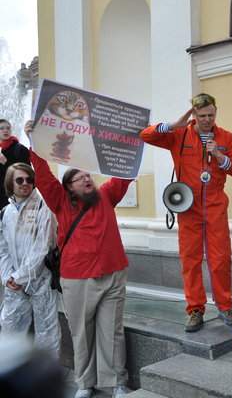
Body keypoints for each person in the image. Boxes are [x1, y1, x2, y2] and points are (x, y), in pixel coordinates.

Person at [24, 120, 132, 398]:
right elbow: (44, 177)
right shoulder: (60, 202)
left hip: (112, 274)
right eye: (79, 178)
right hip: (77, 278)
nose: (87, 179)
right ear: (69, 187)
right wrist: (34, 142)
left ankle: (116, 382)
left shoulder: (107, 195)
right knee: (81, 334)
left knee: (112, 332)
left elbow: (124, 173)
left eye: (88, 176)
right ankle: (85, 384)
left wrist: (129, 138)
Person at [140, 93, 232, 332]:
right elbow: (145, 135)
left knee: (220, 259)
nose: (207, 120)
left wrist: (218, 155)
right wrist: (172, 125)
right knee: (190, 259)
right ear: (193, 114)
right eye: (202, 115)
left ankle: (225, 306)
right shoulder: (179, 134)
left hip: (215, 204)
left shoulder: (226, 137)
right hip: (188, 206)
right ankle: (195, 309)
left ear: (216, 113)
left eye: (211, 115)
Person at [0, 163, 60, 357]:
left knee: (47, 334)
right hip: (14, 284)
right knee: (10, 330)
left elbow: (42, 247)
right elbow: (3, 249)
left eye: (29, 179)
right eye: (19, 180)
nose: (25, 183)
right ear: (11, 183)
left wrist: (19, 276)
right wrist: (7, 277)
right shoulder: (5, 213)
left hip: (40, 281)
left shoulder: (44, 208)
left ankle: (47, 381)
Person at [0, 119, 30, 209]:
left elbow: (27, 173)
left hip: (14, 199)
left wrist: (6, 163)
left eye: (8, 128)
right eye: (1, 128)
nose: (5, 130)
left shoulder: (20, 149)